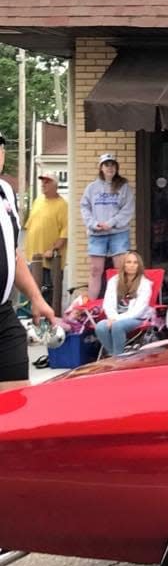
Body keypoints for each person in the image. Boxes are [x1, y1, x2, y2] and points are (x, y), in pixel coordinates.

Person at [1, 134, 57, 387]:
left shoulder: (6, 194)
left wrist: (36, 298)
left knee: (17, 404)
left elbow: (13, 253)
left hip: (3, 315)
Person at [80, 153, 134, 299]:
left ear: (116, 168)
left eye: (112, 165)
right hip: (97, 234)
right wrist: (93, 224)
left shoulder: (124, 187)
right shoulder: (91, 188)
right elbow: (84, 208)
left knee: (120, 269)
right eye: (106, 165)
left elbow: (127, 210)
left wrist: (111, 223)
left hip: (118, 233)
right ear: (101, 168)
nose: (110, 168)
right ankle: (91, 305)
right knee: (95, 270)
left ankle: (122, 300)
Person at [94, 250, 153, 356]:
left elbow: (138, 311)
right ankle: (114, 355)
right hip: (114, 318)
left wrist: (116, 319)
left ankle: (117, 357)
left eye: (135, 263)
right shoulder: (114, 281)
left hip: (137, 319)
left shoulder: (145, 284)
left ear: (139, 265)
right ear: (123, 264)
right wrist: (112, 317)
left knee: (117, 326)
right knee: (100, 327)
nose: (132, 265)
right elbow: (108, 304)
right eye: (128, 262)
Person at [24, 171, 68, 304]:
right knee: (32, 294)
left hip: (49, 260)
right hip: (33, 258)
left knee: (48, 295)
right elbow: (30, 226)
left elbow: (65, 234)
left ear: (55, 185)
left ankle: (49, 322)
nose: (43, 184)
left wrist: (53, 249)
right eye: (42, 181)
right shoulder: (38, 200)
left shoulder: (62, 205)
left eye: (47, 181)